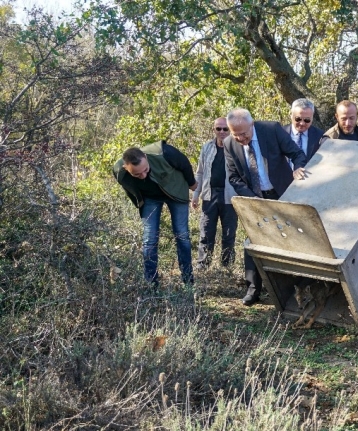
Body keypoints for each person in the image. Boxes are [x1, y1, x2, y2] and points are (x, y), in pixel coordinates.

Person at [223, 108, 307, 306]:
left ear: (252, 125)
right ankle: (253, 290)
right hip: (254, 199)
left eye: (244, 134)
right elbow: (233, 177)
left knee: (291, 238)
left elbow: (297, 154)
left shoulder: (271, 129)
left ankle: (297, 288)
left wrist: (298, 169)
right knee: (253, 241)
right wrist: (253, 199)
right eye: (236, 135)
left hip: (282, 193)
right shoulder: (228, 144)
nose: (241, 139)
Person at [113, 141, 197, 287]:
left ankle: (188, 281)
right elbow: (131, 192)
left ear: (145, 157)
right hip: (151, 197)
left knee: (182, 235)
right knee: (149, 238)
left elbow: (184, 163)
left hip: (175, 190)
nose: (143, 175)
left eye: (145, 169)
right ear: (127, 168)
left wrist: (192, 184)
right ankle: (151, 283)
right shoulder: (119, 172)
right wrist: (142, 205)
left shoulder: (164, 152)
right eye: (137, 174)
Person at [191, 117, 238, 270]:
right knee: (206, 232)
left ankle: (227, 267)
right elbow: (200, 172)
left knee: (229, 234)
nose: (222, 132)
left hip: (230, 196)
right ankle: (203, 265)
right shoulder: (207, 147)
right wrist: (195, 195)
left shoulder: (236, 147)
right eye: (219, 129)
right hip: (209, 195)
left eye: (225, 129)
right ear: (214, 130)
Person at [282, 98, 324, 163]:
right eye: (298, 119)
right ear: (291, 115)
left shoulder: (320, 136)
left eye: (307, 120)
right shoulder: (281, 133)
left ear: (312, 118)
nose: (302, 123)